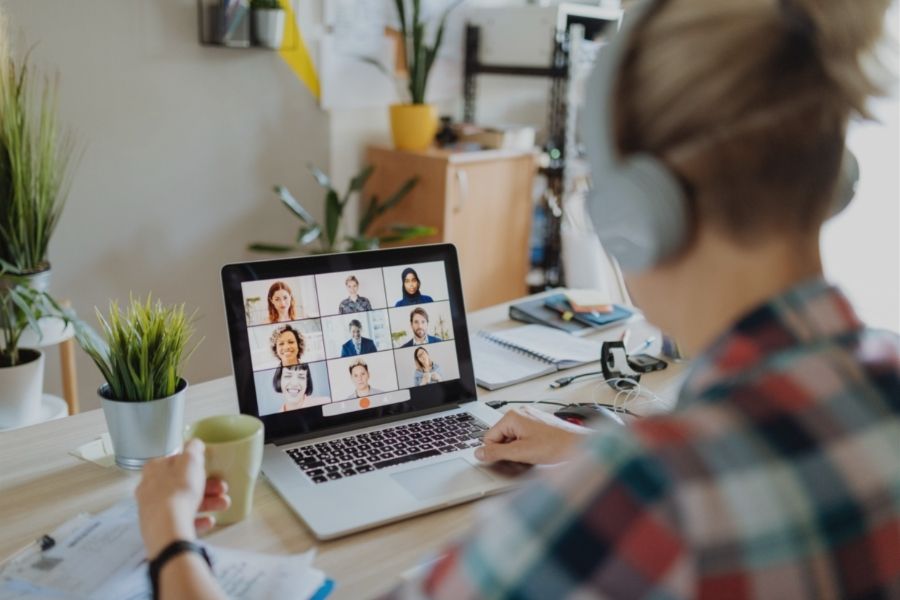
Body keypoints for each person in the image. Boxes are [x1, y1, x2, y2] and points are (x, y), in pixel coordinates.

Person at [135, 1, 899, 597]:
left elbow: (676, 494)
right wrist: (593, 445)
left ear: (641, 210)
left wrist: (170, 536)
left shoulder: (645, 494)